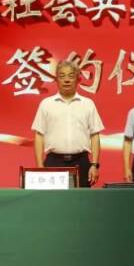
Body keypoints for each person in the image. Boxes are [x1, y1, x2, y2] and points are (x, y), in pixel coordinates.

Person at [32, 60, 103, 188]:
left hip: (81, 162)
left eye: (71, 76)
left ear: (78, 79)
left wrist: (94, 164)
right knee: (54, 200)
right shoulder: (46, 104)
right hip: (53, 162)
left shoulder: (88, 104)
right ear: (56, 80)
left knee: (81, 200)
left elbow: (95, 135)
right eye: (62, 76)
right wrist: (39, 166)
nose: (66, 80)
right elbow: (39, 135)